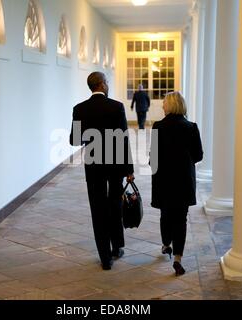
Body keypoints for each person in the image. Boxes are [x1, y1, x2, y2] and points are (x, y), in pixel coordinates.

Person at [70, 72, 135, 271]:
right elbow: (123, 139)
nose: (108, 85)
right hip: (115, 164)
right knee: (115, 204)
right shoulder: (116, 107)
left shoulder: (80, 109)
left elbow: (74, 140)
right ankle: (116, 247)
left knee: (97, 208)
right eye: (106, 82)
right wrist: (129, 169)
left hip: (94, 166)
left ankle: (105, 258)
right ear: (102, 84)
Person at [150, 91, 203, 276]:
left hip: (163, 180)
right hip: (183, 180)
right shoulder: (191, 127)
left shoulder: (158, 127)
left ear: (170, 106)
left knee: (166, 214)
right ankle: (178, 258)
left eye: (164, 103)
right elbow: (199, 155)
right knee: (181, 218)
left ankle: (166, 245)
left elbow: (153, 159)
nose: (162, 106)